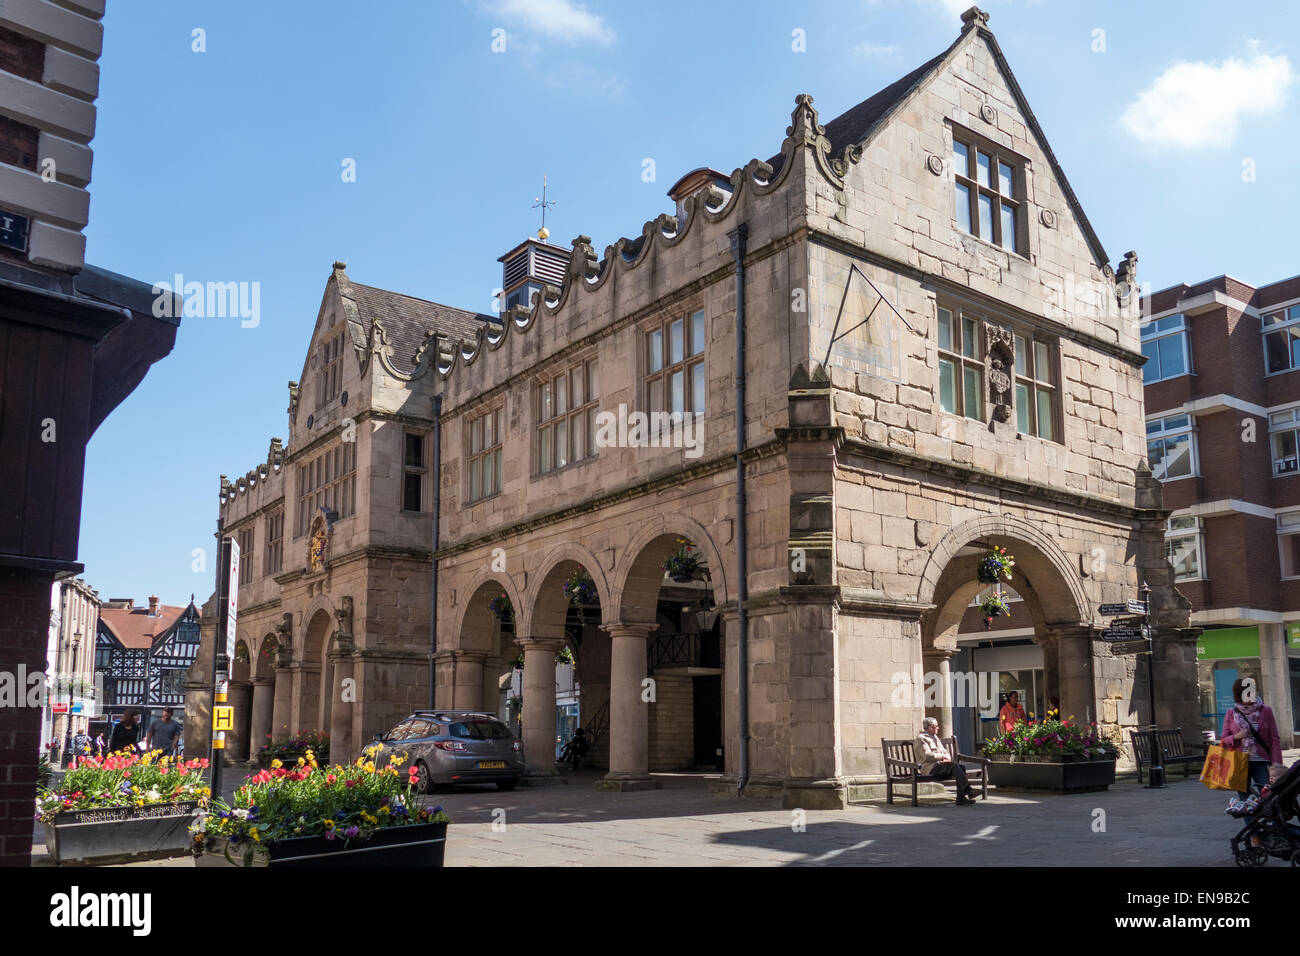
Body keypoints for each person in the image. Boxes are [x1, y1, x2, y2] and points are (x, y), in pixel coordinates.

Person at [1220, 678, 1284, 799]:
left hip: (1261, 761)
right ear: (1239, 694)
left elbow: (1274, 739)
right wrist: (1236, 737)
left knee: (1269, 795)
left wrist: (1277, 764)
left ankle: (1274, 818)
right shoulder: (1231, 713)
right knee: (1245, 799)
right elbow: (1224, 739)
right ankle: (1251, 818)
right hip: (1239, 763)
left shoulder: (1266, 711)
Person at [916, 717, 978, 806]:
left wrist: (947, 757)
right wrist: (942, 757)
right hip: (930, 768)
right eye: (935, 726)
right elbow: (927, 756)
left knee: (961, 767)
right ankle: (968, 790)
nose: (938, 728)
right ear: (928, 727)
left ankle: (961, 798)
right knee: (954, 766)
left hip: (941, 766)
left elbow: (946, 752)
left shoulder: (935, 737)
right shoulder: (921, 738)